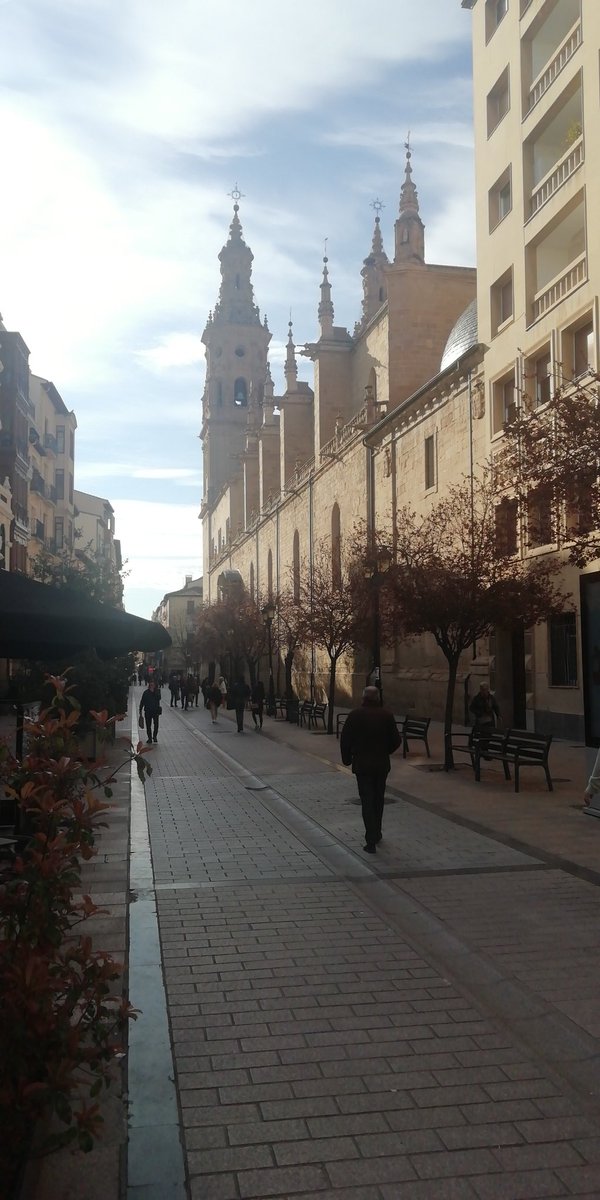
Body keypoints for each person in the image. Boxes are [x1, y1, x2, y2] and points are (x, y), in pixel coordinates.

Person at [340, 686, 401, 853]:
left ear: (363, 698)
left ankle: (371, 839)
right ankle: (377, 831)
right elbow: (396, 740)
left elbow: (345, 739)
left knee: (367, 800)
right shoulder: (386, 715)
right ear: (377, 698)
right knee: (378, 799)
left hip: (362, 765)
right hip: (381, 765)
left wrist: (347, 758)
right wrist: (385, 751)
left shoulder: (355, 715)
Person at [469, 682, 501, 758]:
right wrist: (479, 713)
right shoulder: (477, 698)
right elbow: (471, 708)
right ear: (481, 690)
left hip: (490, 720)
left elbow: (495, 706)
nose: (485, 691)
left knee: (489, 736)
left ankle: (484, 751)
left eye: (486, 689)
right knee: (483, 736)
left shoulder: (491, 697)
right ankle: (484, 752)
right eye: (483, 689)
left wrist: (498, 715)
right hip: (481, 721)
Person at [139, 679, 161, 744]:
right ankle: (149, 738)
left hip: (155, 711)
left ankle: (155, 736)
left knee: (156, 724)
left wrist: (154, 692)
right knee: (148, 725)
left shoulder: (157, 691)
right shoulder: (145, 692)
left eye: (153, 684)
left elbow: (159, 698)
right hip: (148, 711)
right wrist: (140, 710)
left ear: (155, 685)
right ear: (149, 685)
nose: (152, 685)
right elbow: (142, 702)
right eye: (151, 684)